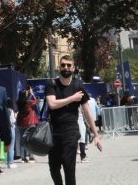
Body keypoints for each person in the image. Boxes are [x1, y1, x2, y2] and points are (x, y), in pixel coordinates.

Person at [46, 55, 102, 185]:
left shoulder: (78, 85)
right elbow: (52, 104)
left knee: (69, 167)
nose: (66, 67)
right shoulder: (52, 84)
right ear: (59, 67)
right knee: (54, 168)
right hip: (53, 133)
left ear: (73, 68)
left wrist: (96, 134)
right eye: (63, 65)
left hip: (70, 132)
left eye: (68, 65)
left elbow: (87, 111)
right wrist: (72, 98)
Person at [15, 87, 39, 163]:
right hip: (29, 123)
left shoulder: (18, 102)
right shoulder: (29, 102)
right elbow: (35, 101)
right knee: (30, 140)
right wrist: (31, 93)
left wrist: (26, 93)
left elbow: (22, 98)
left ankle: (23, 157)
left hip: (21, 123)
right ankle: (31, 157)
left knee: (22, 140)